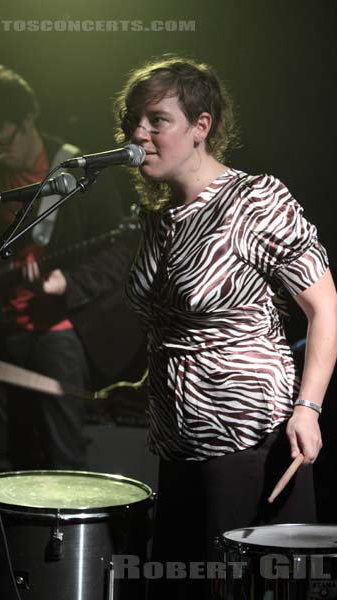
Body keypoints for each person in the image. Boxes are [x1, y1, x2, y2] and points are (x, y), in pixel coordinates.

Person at [115, 56, 337, 598]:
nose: (138, 133)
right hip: (177, 446)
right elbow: (175, 326)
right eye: (131, 120)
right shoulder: (158, 218)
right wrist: (148, 382)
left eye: (156, 120)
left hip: (247, 445)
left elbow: (325, 307)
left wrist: (308, 408)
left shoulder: (254, 200)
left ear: (201, 126)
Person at [0, 65, 145, 472]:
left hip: (59, 328)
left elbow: (117, 252)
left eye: (3, 142)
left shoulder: (79, 171)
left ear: (27, 121)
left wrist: (66, 281)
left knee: (62, 455)